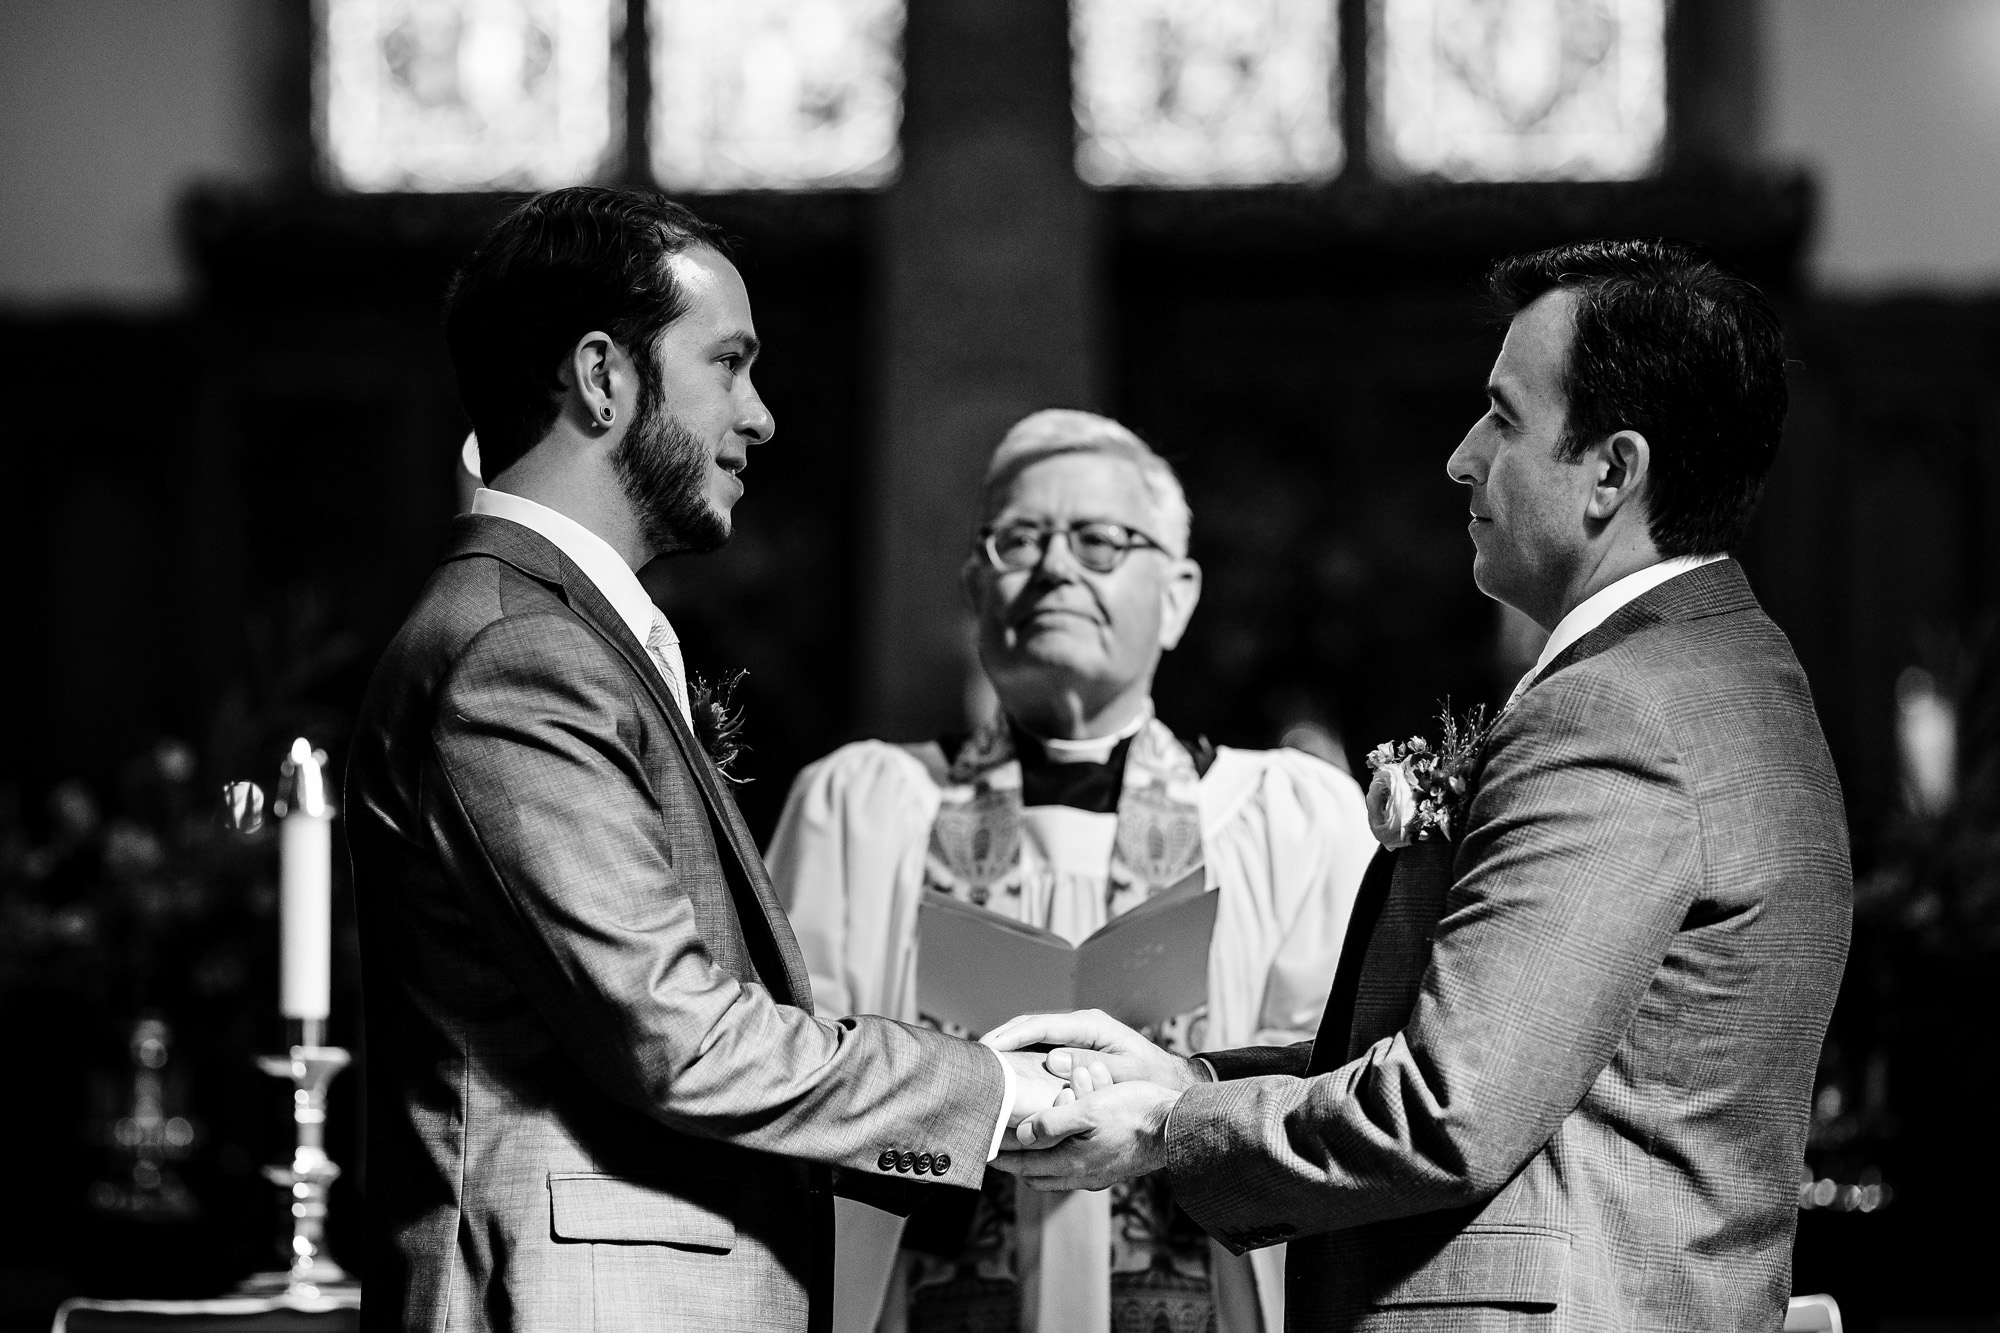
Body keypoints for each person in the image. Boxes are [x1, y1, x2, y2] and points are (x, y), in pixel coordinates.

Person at [988, 239, 1853, 1332]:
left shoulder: (1621, 707)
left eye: (1501, 416)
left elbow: (1450, 1106)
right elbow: (1509, 1043)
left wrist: (1173, 1126)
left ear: (1610, 471)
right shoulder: (1717, 669)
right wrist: (1185, 1072)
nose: (1458, 457)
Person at [344, 187, 1066, 1333]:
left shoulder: (559, 632)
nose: (761, 414)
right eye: (727, 364)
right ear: (601, 377)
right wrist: (998, 1091)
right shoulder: (514, 652)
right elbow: (675, 1035)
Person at [768, 409, 1375, 1333]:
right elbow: (791, 1076)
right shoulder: (858, 805)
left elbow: (1345, 1081)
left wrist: (1181, 1096)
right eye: (1020, 539)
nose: (1055, 567)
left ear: (1177, 594)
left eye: (1099, 540)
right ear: (976, 587)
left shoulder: (1293, 817)